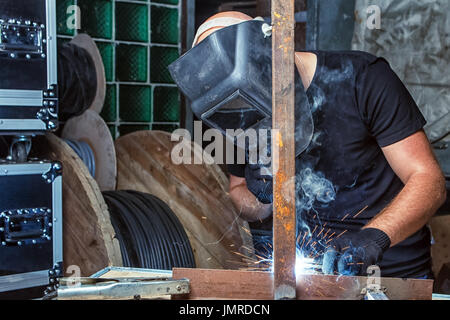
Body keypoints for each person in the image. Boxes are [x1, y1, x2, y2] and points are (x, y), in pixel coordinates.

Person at [173, 11, 447, 278]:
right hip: (300, 276)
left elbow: (428, 180)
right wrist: (266, 199)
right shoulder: (231, 109)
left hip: (388, 274)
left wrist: (373, 238)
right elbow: (238, 190)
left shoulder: (364, 78)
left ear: (271, 52)